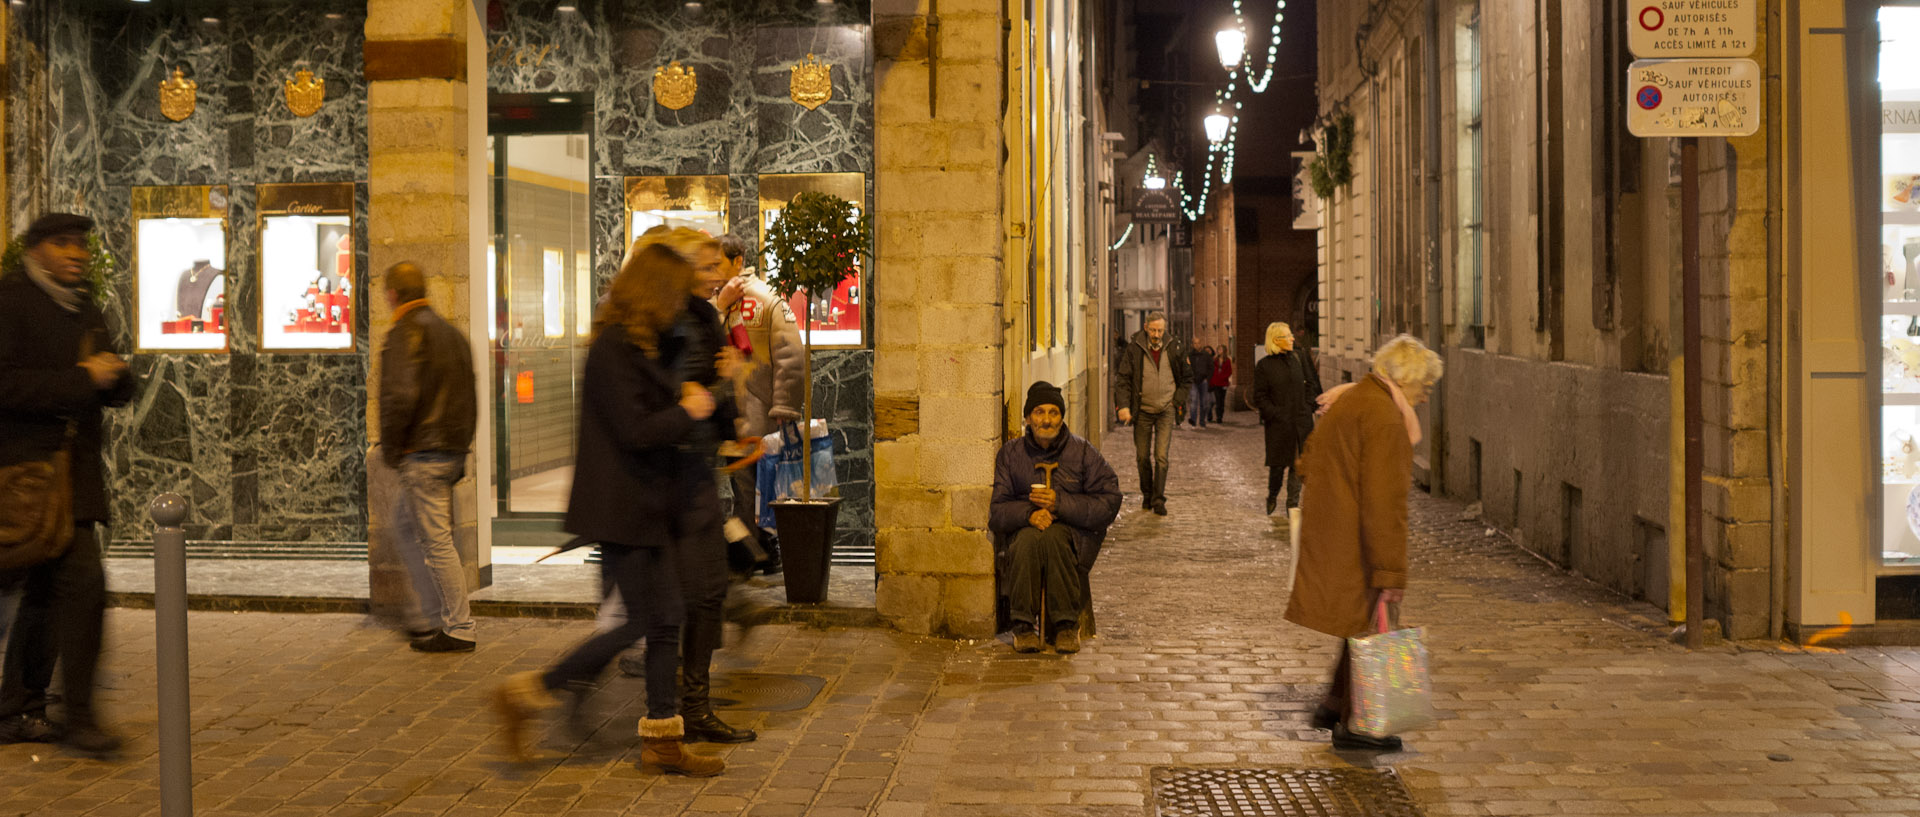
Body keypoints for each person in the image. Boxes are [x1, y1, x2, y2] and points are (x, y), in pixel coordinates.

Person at [491, 242, 724, 776]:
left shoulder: (642, 345)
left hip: (646, 504)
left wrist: (701, 382)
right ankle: (531, 693)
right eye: (674, 295)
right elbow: (636, 430)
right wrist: (687, 410)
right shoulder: (613, 349)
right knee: (650, 620)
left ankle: (662, 738)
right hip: (623, 507)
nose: (679, 306)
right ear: (655, 292)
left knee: (663, 620)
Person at [0, 213, 136, 754]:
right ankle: (77, 719)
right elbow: (6, 386)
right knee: (81, 588)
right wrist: (84, 378)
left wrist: (118, 378)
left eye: (81, 245)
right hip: (27, 477)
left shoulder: (82, 306)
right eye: (63, 244)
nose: (76, 254)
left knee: (46, 594)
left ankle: (18, 707)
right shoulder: (10, 302)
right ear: (35, 251)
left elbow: (110, 385)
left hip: (72, 476)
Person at [1285, 334, 1442, 752]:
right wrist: (1390, 570)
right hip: (1356, 537)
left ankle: (1334, 703)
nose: (1425, 397)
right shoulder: (1385, 418)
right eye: (1424, 387)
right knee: (1370, 622)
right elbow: (1384, 505)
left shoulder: (1356, 400)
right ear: (1405, 379)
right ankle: (1356, 723)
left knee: (1359, 623)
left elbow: (1308, 459)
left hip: (1336, 529)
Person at [378, 262, 479, 653]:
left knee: (436, 541)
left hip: (423, 453)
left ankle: (458, 626)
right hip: (449, 451)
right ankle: (432, 615)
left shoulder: (405, 334)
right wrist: (460, 446)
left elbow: (398, 399)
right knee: (404, 523)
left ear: (392, 295)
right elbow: (470, 397)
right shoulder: (452, 334)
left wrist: (391, 449)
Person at [989, 382, 1121, 653]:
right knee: (1028, 541)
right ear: (1027, 418)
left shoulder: (1083, 453)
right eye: (1038, 412)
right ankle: (1023, 625)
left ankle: (1065, 625)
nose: (1046, 420)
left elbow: (1109, 500)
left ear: (1062, 418)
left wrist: (1059, 504)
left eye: (1053, 413)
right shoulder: (1011, 455)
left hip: (1072, 535)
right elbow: (998, 510)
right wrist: (1029, 514)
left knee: (1054, 539)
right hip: (1024, 529)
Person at [712, 234, 803, 576]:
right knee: (748, 488)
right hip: (736, 414)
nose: (712, 270)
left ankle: (756, 552)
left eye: (718, 263)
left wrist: (782, 407)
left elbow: (789, 355)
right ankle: (758, 549)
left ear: (738, 262)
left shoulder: (765, 299)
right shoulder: (726, 301)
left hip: (753, 414)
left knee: (751, 487)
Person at [1112, 312, 1190, 515]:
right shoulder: (1135, 348)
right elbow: (1123, 379)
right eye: (1153, 330)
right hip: (1143, 410)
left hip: (1166, 409)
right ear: (1146, 327)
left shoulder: (1174, 347)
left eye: (1160, 331)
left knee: (1161, 456)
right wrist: (1124, 406)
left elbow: (1186, 378)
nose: (1157, 335)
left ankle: (1158, 500)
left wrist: (1176, 400)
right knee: (1142, 456)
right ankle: (1147, 493)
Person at [1249, 322, 1322, 515]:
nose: (1292, 338)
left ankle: (1292, 504)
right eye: (1287, 336)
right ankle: (1272, 494)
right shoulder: (1264, 366)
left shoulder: (1299, 357)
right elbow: (1260, 397)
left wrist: (1307, 406)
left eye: (1291, 335)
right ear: (1276, 340)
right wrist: (1275, 414)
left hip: (1301, 422)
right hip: (1279, 425)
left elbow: (1311, 382)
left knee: (1297, 465)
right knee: (1278, 467)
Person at [1186, 343, 1214, 428]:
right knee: (1193, 401)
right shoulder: (1190, 355)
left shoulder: (1205, 355)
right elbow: (1186, 367)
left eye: (1198, 343)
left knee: (1204, 402)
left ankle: (1202, 421)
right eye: (1194, 343)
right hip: (1193, 381)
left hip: (1203, 381)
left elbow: (1211, 367)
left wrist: (1207, 378)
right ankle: (1193, 421)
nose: (1197, 345)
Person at [1208, 345, 1234, 424]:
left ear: (1224, 351)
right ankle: (1218, 417)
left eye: (1220, 349)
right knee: (1218, 400)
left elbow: (1229, 371)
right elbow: (1211, 370)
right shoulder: (1215, 360)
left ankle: (1220, 415)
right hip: (1216, 383)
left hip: (1223, 383)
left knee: (1222, 401)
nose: (1219, 351)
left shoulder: (1228, 360)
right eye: (1218, 349)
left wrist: (1222, 377)